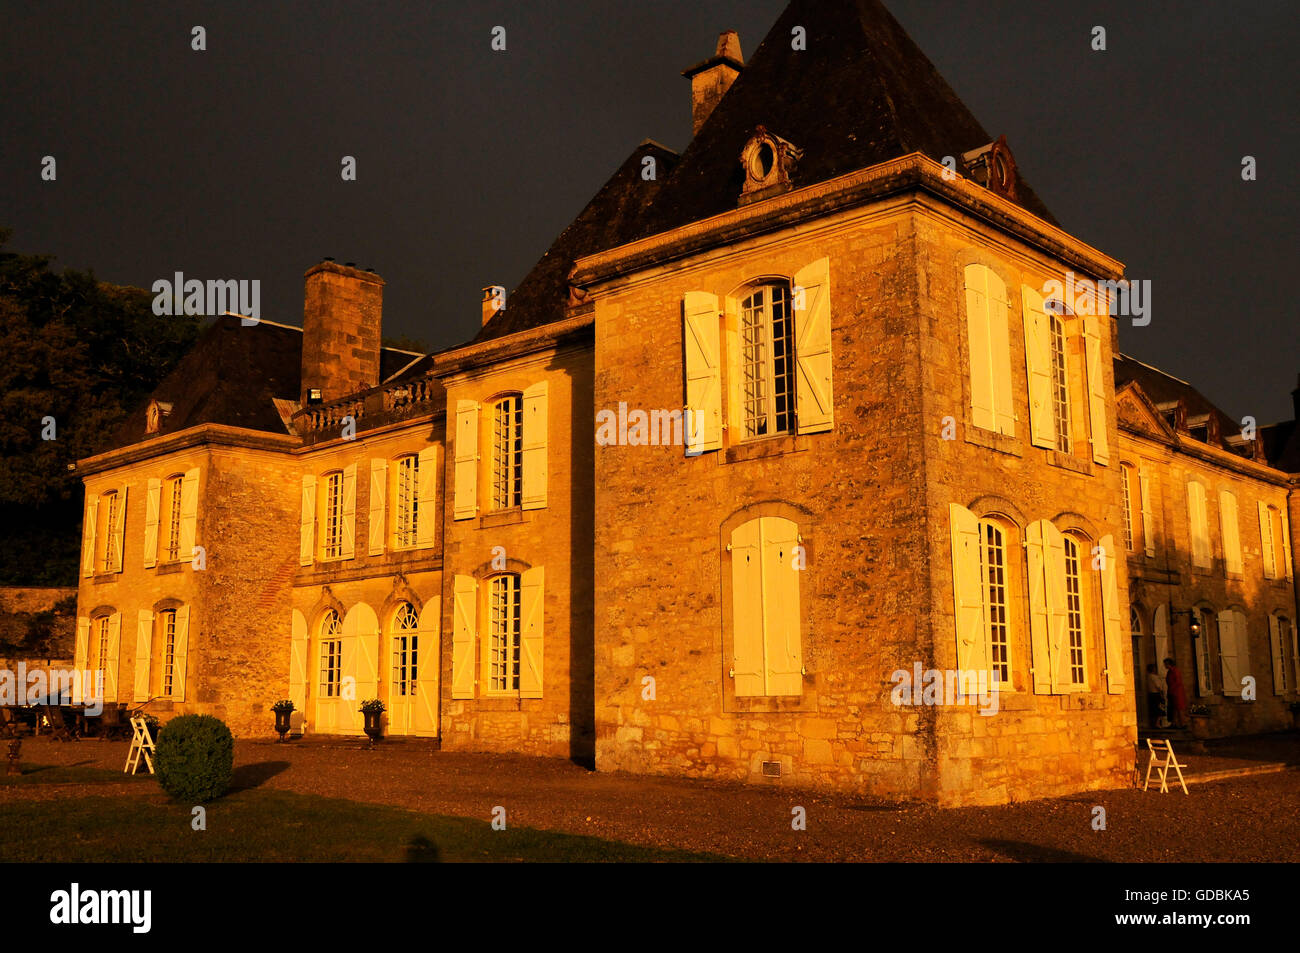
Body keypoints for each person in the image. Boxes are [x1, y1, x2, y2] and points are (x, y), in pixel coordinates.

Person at [1163, 658, 1188, 729]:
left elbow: (1178, 682)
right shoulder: (1169, 672)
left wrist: (1172, 689)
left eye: (1165, 664)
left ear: (1169, 664)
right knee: (1173, 708)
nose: (1164, 665)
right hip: (1172, 692)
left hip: (1177, 692)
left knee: (1179, 708)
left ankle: (1183, 724)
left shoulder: (1175, 671)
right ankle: (1174, 723)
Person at [1145, 662, 1167, 728]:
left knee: (1154, 709)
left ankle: (1154, 723)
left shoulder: (1148, 677)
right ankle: (1157, 723)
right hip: (1156, 694)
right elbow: (1158, 686)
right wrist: (1162, 692)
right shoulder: (1154, 677)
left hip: (1151, 694)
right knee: (1159, 709)